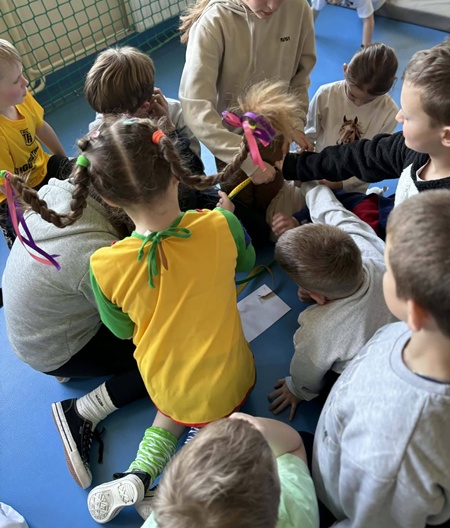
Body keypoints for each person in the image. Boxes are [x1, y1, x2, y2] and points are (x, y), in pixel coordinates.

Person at [1, 114, 263, 523]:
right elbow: (246, 261)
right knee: (208, 421)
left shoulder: (104, 264)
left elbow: (122, 329)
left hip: (163, 384)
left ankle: (140, 472)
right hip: (231, 381)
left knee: (172, 408)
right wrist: (228, 218)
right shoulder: (219, 223)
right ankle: (175, 479)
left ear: (107, 198)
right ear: (176, 173)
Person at [312, 190, 450, 527]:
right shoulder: (414, 331)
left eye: (388, 268)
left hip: (341, 502)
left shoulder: (394, 453)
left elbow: (370, 519)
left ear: (415, 311)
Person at [2, 177, 148, 490]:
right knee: (168, 357)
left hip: (32, 329)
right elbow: (129, 325)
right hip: (52, 348)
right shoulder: (94, 257)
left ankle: (69, 352)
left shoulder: (60, 189)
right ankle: (81, 412)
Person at [179, 0, 316, 218]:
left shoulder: (298, 8)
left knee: (274, 209)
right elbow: (195, 105)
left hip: (276, 135)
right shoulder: (215, 21)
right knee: (240, 213)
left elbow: (300, 78)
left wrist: (295, 123)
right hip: (232, 145)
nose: (273, 3)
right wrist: (247, 161)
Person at [267, 183, 394, 420]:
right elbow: (331, 210)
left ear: (318, 297)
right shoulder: (362, 242)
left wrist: (297, 389)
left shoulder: (318, 329)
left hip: (371, 376)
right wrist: (311, 186)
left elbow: (307, 369)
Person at [281, 38, 450, 206]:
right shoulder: (407, 150)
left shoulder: (439, 205)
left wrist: (341, 188)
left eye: (407, 116)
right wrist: (296, 166)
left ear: (446, 135)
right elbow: (361, 157)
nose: (398, 118)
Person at [267, 42, 398, 233]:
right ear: (345, 70)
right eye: (352, 95)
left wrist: (341, 183)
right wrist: (300, 169)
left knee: (335, 233)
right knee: (279, 227)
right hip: (315, 174)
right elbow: (308, 137)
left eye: (370, 100)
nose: (359, 102)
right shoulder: (326, 94)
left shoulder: (389, 112)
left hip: (351, 189)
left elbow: (375, 163)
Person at [83, 45, 218, 212]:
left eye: (113, 116)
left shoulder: (175, 114)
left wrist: (169, 132)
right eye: (102, 113)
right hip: (141, 204)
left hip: (182, 192)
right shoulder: (100, 126)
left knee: (220, 203)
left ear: (145, 107)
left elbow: (195, 175)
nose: (105, 120)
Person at [142, 413, 319, 528]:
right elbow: (294, 446)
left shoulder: (165, 520)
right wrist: (261, 428)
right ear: (276, 491)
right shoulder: (296, 513)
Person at [0, 38, 71, 249]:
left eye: (22, 74)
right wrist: (37, 206)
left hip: (40, 169)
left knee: (80, 173)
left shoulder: (22, 99)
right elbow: (8, 185)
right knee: (27, 235)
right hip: (10, 194)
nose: (25, 82)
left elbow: (41, 127)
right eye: (16, 81)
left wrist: (63, 159)